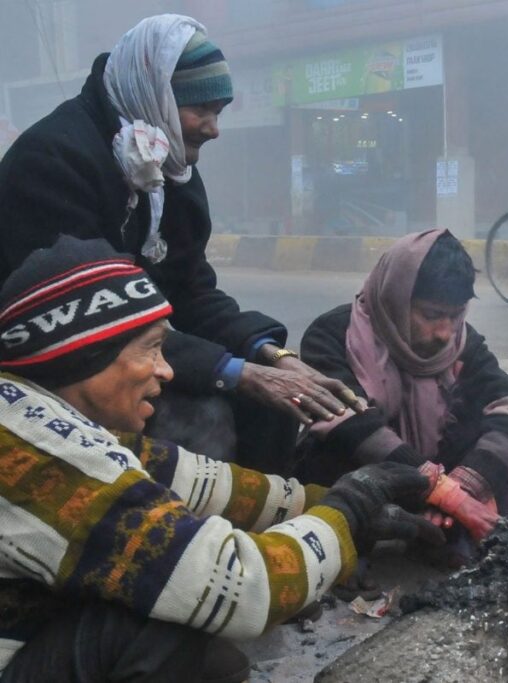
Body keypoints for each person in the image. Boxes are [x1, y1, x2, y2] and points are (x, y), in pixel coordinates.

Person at [0, 235, 442, 682]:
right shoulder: (36, 454)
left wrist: (321, 503)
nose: (167, 370)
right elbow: (240, 588)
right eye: (151, 348)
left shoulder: (29, 413)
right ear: (83, 354)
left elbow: (196, 481)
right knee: (168, 621)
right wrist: (346, 512)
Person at [0, 14, 359, 473]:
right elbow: (93, 320)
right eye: (201, 110)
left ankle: (257, 525)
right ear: (158, 98)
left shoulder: (169, 168)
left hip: (138, 349)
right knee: (202, 417)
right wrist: (235, 373)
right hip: (64, 361)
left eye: (219, 112)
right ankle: (177, 537)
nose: (213, 129)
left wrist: (272, 357)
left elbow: (191, 291)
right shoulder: (53, 159)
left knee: (275, 403)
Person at [298, 229, 508, 553]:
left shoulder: (463, 343)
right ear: (397, 297)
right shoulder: (332, 336)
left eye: (456, 315)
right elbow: (349, 422)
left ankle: (439, 524)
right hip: (359, 479)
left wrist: (463, 488)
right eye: (432, 315)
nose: (444, 333)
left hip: (444, 478)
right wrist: (442, 492)